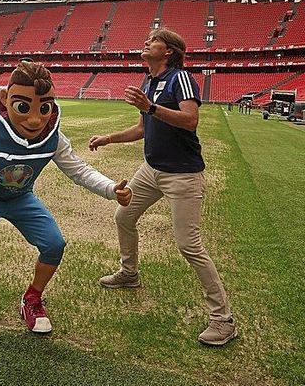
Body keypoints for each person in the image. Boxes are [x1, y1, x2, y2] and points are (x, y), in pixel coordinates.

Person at [0, 61, 132, 345]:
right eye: (24, 107)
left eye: (43, 108)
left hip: (21, 198)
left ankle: (31, 299)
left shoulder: (53, 139)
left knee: (54, 244)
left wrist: (111, 188)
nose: (34, 120)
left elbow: (79, 170)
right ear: (7, 100)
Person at [89, 27, 236, 346]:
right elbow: (144, 128)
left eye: (152, 41)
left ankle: (223, 319)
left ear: (168, 51)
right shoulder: (149, 82)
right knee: (123, 217)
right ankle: (129, 273)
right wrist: (109, 138)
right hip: (152, 169)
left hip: (183, 174)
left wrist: (151, 106)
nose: (145, 43)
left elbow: (190, 120)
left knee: (189, 245)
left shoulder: (179, 78)